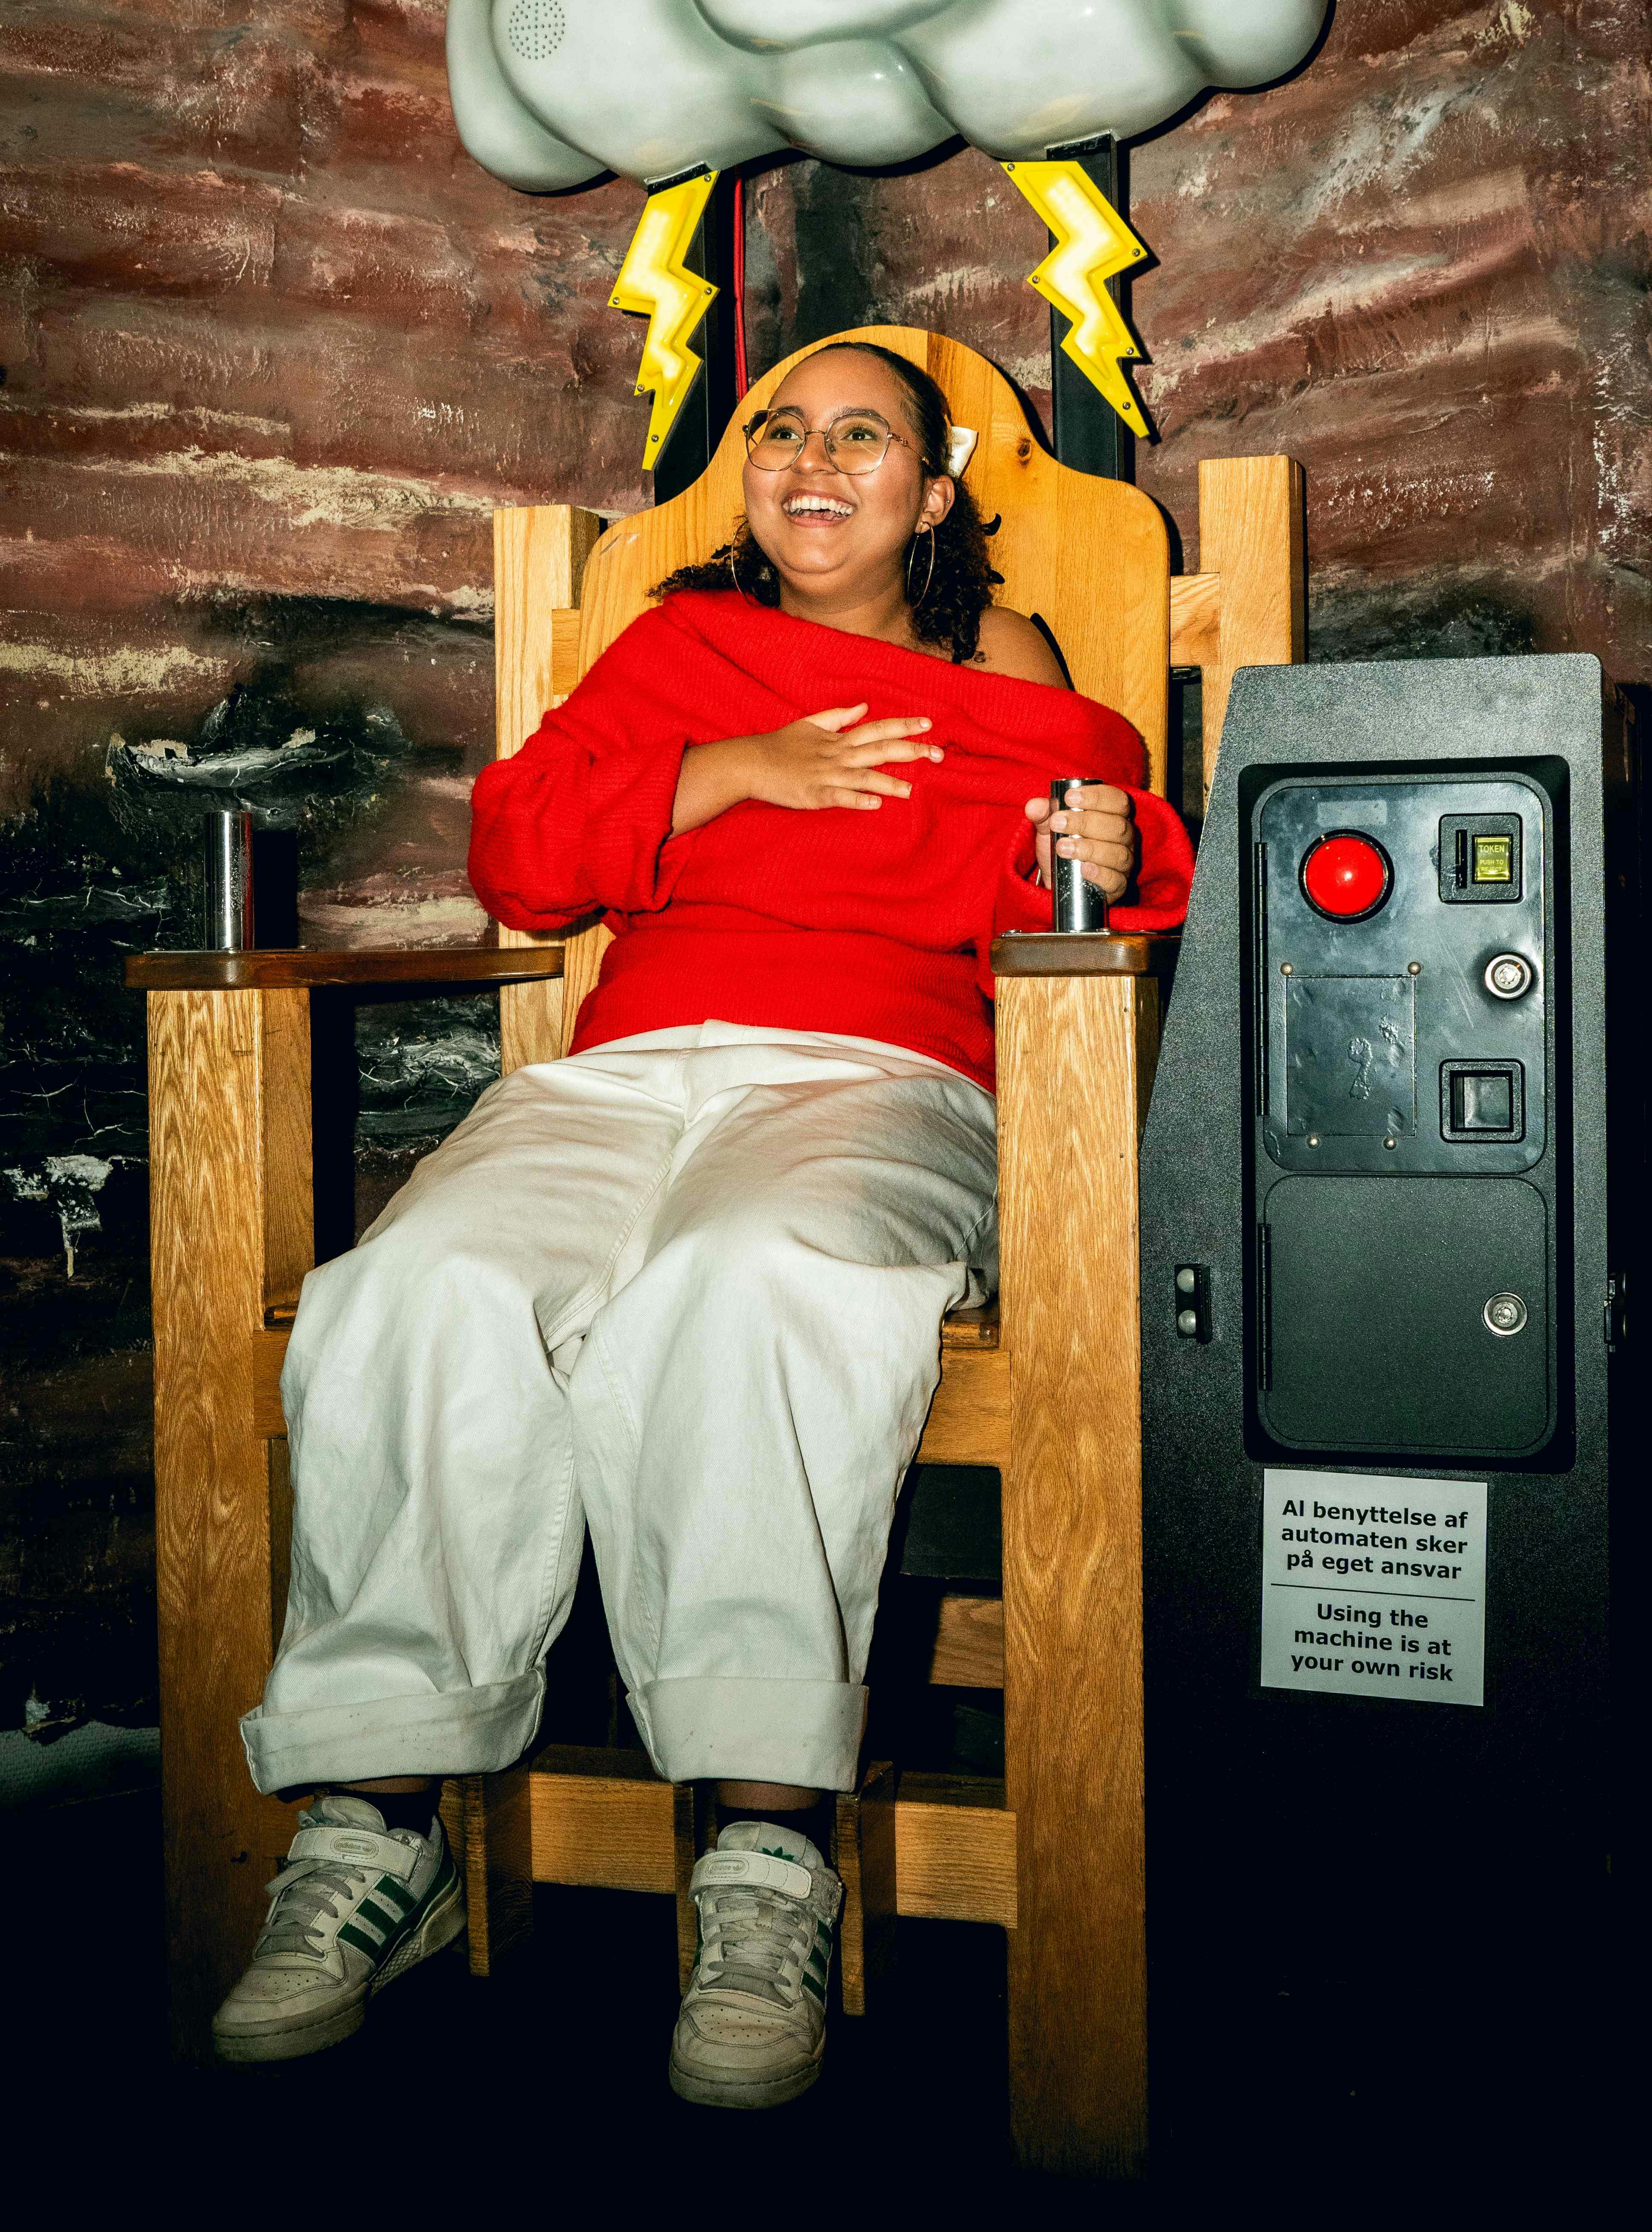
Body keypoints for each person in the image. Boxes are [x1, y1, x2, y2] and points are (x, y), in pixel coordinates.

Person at [213, 342, 1194, 2100]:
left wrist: (1104, 856)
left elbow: (1064, 870)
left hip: (870, 1077)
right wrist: (719, 773)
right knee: (420, 1284)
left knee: (748, 1282)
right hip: (624, 1076)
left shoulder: (1003, 661)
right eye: (779, 433)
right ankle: (374, 1833)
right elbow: (521, 855)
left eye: (861, 437)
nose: (812, 463)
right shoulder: (676, 649)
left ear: (938, 484)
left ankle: (762, 1853)